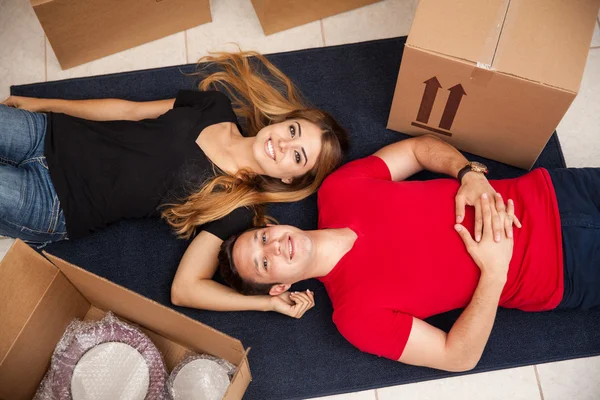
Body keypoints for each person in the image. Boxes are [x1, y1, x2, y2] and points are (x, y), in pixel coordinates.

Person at [1, 51, 348, 319]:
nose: (285, 145)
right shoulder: (215, 105)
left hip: (55, 202)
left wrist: (267, 304)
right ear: (283, 122)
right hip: (49, 133)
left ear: (291, 178)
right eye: (293, 131)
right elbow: (129, 111)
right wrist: (42, 104)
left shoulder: (235, 207)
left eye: (298, 157)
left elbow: (185, 289)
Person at [218, 133, 600, 371]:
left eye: (261, 239)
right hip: (565, 269)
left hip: (555, 190)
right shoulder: (356, 317)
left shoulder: (338, 189)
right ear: (279, 288)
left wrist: (468, 174)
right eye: (264, 264)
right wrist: (494, 273)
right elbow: (457, 358)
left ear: (269, 226)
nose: (274, 247)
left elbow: (418, 149)